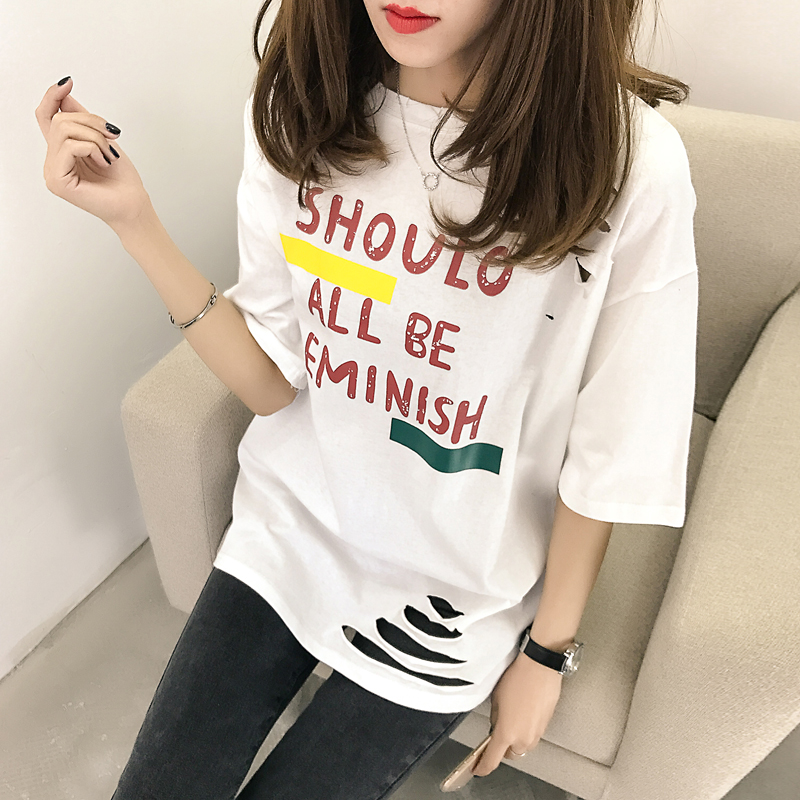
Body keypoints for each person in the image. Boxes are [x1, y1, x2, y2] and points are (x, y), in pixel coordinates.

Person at [35, 0, 698, 797]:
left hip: (452, 600)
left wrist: (546, 654)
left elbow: (613, 449)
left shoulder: (627, 167)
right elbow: (272, 384)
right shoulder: (303, 108)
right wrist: (134, 221)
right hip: (290, 531)